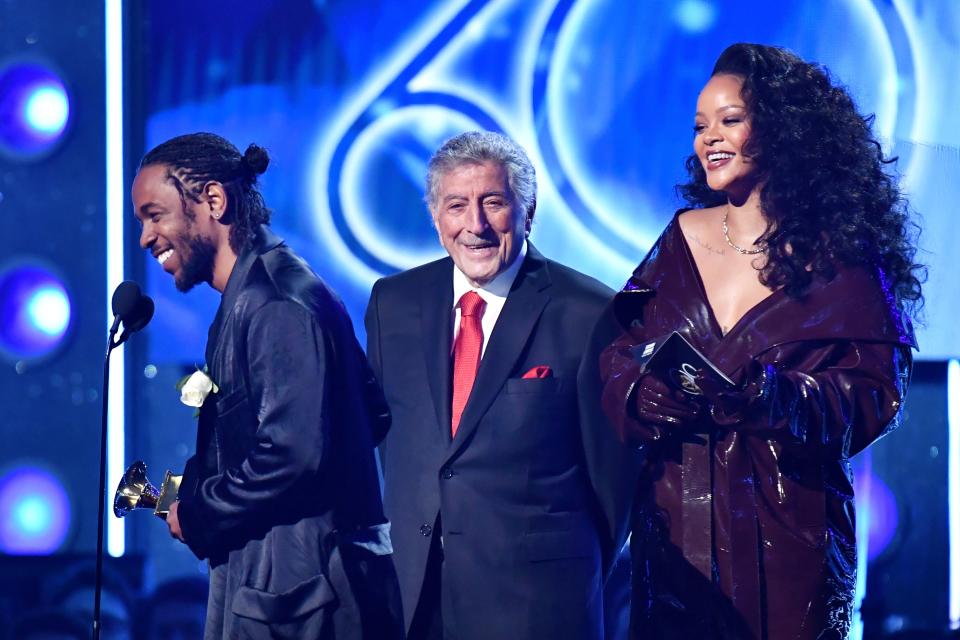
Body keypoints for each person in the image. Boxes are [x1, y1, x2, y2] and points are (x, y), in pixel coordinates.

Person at [598, 43, 924, 639]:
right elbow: (619, 355)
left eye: (730, 120)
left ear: (780, 129)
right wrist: (642, 393)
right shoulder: (678, 239)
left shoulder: (839, 256)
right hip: (677, 521)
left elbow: (875, 392)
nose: (710, 138)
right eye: (701, 126)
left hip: (788, 531)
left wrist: (775, 396)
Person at [365, 131, 637, 640]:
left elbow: (614, 480)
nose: (476, 225)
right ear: (434, 215)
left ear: (528, 211)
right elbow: (393, 444)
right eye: (456, 205)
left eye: (493, 202)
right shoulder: (392, 303)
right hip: (416, 599)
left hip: (537, 605)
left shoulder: (591, 312)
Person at [132, 132, 403, 639]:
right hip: (283, 586)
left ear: (213, 200)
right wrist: (182, 499)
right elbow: (367, 415)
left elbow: (292, 455)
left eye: (154, 215)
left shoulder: (276, 303)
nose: (146, 237)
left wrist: (200, 512)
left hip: (304, 598)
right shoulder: (247, 298)